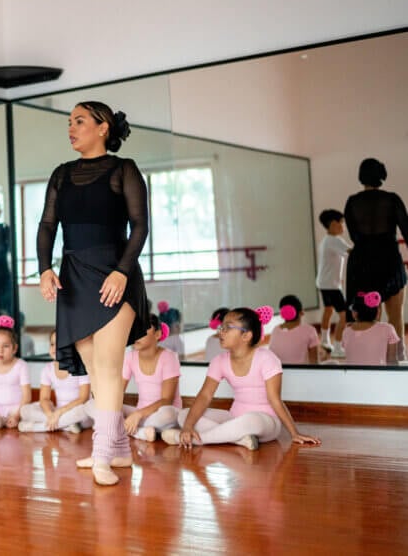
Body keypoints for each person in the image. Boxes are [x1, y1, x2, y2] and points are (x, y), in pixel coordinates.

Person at [37, 100, 150, 486]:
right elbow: (47, 224)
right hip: (73, 277)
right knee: (98, 373)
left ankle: (101, 453)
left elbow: (140, 227)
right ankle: (118, 449)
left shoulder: (124, 169)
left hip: (115, 273)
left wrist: (121, 272)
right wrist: (44, 269)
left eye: (80, 121)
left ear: (103, 128)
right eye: (69, 122)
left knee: (108, 366)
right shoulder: (61, 174)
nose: (72, 128)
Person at [163, 306, 320, 450]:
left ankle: (193, 439)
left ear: (246, 335)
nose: (221, 332)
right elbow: (205, 396)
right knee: (185, 415)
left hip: (265, 422)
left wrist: (294, 433)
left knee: (250, 421)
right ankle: (240, 439)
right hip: (234, 418)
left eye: (227, 328)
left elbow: (275, 400)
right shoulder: (219, 361)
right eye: (221, 327)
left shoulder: (267, 359)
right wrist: (188, 426)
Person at [344, 158, 408, 361]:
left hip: (362, 262)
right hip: (389, 260)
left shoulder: (352, 202)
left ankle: (364, 360)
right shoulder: (392, 199)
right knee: (395, 315)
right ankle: (398, 357)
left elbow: (354, 236)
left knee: (364, 317)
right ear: (381, 176)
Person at [117, 314, 182, 443]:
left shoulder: (169, 357)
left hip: (164, 413)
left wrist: (137, 415)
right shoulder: (130, 357)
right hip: (140, 413)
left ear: (157, 335)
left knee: (167, 414)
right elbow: (118, 391)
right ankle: (143, 432)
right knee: (101, 407)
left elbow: (167, 400)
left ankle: (132, 429)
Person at [18, 330, 92, 433]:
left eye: (59, 344)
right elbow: (44, 399)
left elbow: (83, 398)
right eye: (52, 344)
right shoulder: (47, 369)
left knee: (84, 410)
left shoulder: (81, 367)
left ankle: (37, 427)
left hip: (76, 411)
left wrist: (59, 413)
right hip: (57, 412)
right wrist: (50, 414)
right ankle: (66, 425)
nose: (54, 348)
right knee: (24, 410)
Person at [316, 209, 352, 355]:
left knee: (328, 310)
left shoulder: (326, 240)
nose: (343, 226)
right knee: (344, 315)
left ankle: (325, 341)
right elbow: (351, 251)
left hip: (324, 283)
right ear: (333, 224)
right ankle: (337, 347)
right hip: (331, 285)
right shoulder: (335, 240)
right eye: (341, 223)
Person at [343, 291, 399, 365]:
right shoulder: (388, 329)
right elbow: (392, 361)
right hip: (377, 375)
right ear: (378, 312)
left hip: (351, 375)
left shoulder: (347, 331)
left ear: (354, 313)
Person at [268, 295, 320, 364]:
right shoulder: (310, 331)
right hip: (299, 373)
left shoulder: (275, 330)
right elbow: (315, 363)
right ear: (301, 312)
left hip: (277, 373)